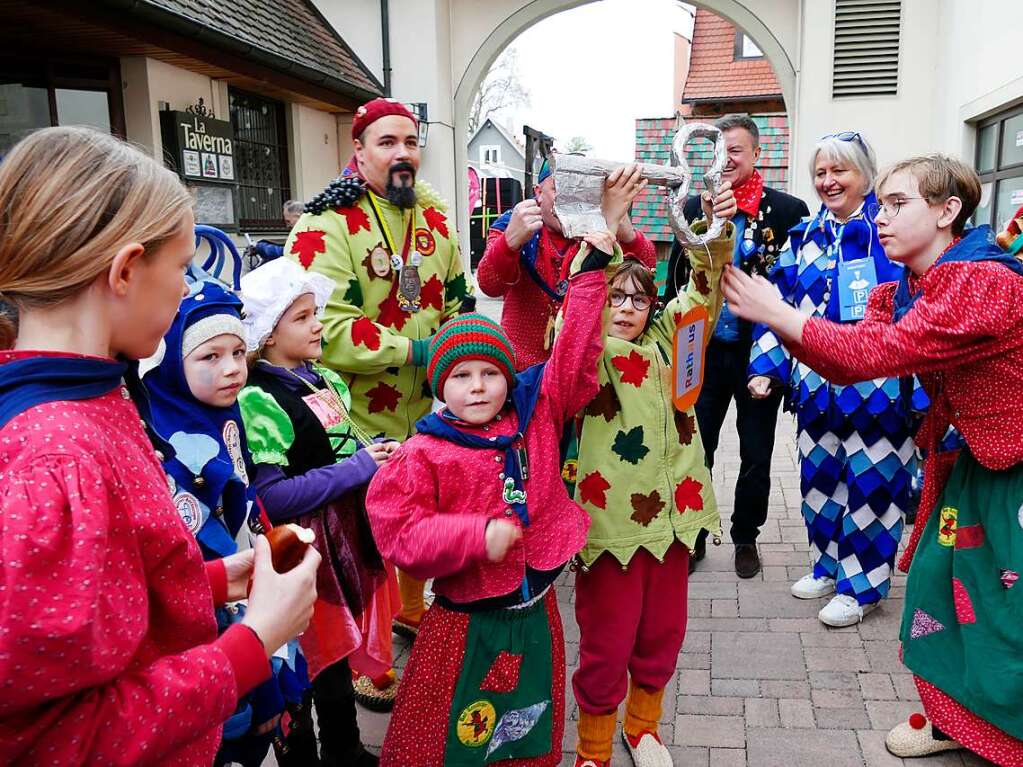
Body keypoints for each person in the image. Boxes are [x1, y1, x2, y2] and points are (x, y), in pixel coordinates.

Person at [0, 126, 318, 765]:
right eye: (180, 267)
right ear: (125, 271)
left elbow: (97, 601)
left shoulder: (92, 393)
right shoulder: (58, 456)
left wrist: (206, 581)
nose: (184, 290)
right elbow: (50, 740)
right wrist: (255, 642)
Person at [721, 155, 1023, 765]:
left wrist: (779, 312)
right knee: (938, 587)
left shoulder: (983, 282)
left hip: (1014, 471)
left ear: (946, 212)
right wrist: (780, 320)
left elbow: (879, 348)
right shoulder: (908, 285)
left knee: (1008, 603)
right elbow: (847, 359)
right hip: (972, 462)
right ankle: (955, 721)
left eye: (897, 204)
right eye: (881, 204)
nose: (880, 218)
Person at [366, 225, 627, 766]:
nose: (479, 386)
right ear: (442, 387)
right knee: (449, 737)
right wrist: (476, 535)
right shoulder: (425, 452)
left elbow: (573, 357)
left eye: (490, 372)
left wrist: (592, 272)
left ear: (509, 377)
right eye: (462, 376)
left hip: (535, 612)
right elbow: (400, 532)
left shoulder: (537, 412)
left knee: (524, 727)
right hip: (466, 625)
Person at [284, 97, 473, 705]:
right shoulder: (323, 225)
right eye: (387, 143)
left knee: (420, 511)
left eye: (411, 143)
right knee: (365, 532)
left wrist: (461, 352)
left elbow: (459, 297)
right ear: (358, 150)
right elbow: (326, 326)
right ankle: (366, 653)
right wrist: (418, 353)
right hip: (355, 411)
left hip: (428, 406)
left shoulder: (435, 215)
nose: (402, 154)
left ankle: (411, 612)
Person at [570, 198, 736, 767]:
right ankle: (593, 749)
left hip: (675, 525)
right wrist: (601, 239)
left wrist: (714, 230)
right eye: (614, 297)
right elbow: (575, 317)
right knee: (606, 643)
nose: (626, 308)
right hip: (610, 528)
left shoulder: (672, 345)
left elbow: (702, 292)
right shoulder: (586, 356)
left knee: (662, 634)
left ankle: (643, 728)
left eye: (638, 299)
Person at [138, 270, 319, 766]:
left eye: (239, 353)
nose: (232, 369)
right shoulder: (166, 436)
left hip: (245, 587)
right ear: (175, 360)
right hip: (217, 625)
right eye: (210, 357)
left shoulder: (227, 412)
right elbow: (208, 542)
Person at [748, 132, 924, 627]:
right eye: (821, 172)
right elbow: (774, 305)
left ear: (866, 174)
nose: (828, 181)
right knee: (819, 483)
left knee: (871, 487)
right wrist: (766, 368)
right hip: (817, 389)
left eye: (839, 171)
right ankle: (828, 567)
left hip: (880, 391)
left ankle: (862, 587)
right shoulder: (803, 236)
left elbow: (922, 308)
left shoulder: (891, 234)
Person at [238, 258, 403, 766]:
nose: (318, 325)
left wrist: (371, 451)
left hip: (340, 540)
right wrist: (356, 468)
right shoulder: (260, 400)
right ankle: (303, 756)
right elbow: (275, 497)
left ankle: (344, 747)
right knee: (304, 660)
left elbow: (337, 447)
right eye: (303, 318)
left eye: (315, 313)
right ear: (267, 334)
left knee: (334, 656)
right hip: (302, 549)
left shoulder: (321, 378)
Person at [664, 114, 809, 577]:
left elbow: (795, 290)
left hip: (759, 354)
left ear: (756, 155)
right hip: (702, 349)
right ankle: (696, 534)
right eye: (717, 152)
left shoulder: (788, 211)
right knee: (695, 447)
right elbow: (676, 280)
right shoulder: (689, 209)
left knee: (756, 451)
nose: (724, 161)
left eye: (735, 151)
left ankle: (747, 535)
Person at [477, 158, 656, 368]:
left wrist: (628, 235)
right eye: (559, 189)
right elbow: (489, 284)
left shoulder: (598, 226)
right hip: (521, 369)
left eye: (579, 191)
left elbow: (647, 266)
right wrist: (509, 242)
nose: (570, 200)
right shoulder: (514, 223)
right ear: (538, 192)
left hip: (579, 366)